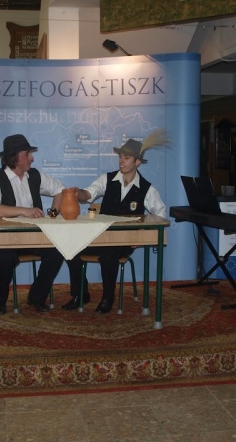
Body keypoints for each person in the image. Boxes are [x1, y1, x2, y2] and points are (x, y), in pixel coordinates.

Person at [61, 130, 169, 314]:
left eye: (126, 158)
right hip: (100, 236)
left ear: (137, 162)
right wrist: (80, 194)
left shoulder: (146, 189)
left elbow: (161, 215)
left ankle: (107, 298)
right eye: (120, 157)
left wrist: (142, 234)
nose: (121, 161)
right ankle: (80, 293)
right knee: (70, 248)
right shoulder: (107, 179)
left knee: (109, 255)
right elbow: (89, 193)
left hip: (124, 241)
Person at [0, 134, 66, 314]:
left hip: (34, 238)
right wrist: (24, 210)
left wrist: (53, 215)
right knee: (4, 258)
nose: (32, 158)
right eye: (27, 154)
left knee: (58, 250)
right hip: (7, 240)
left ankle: (36, 297)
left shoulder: (35, 176)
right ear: (14, 158)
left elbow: (60, 190)